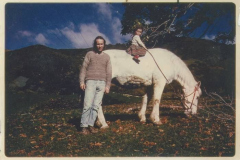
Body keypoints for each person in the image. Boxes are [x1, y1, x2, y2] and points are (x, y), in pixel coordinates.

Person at [79, 36, 112, 135]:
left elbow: (109, 73)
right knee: (87, 105)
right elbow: (83, 68)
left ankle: (91, 125)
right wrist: (82, 82)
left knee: (96, 106)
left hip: (102, 83)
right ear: (95, 44)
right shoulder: (89, 54)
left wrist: (108, 86)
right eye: (98, 44)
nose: (99, 46)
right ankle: (83, 127)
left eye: (101, 44)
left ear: (104, 45)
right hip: (90, 82)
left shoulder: (107, 57)